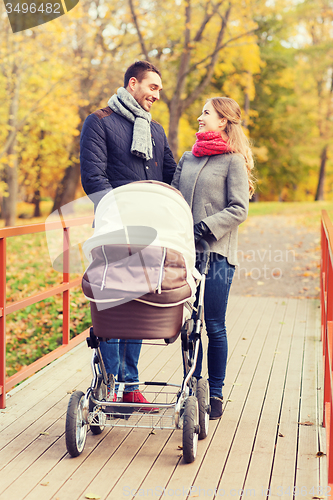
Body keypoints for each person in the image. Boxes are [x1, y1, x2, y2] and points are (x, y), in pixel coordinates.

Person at [80, 61, 177, 408]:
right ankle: (109, 385)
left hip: (151, 234)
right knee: (112, 306)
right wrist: (122, 219)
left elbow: (169, 178)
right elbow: (94, 177)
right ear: (132, 84)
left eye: (159, 91)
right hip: (113, 231)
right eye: (152, 88)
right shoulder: (100, 121)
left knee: (139, 304)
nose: (156, 95)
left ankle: (130, 385)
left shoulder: (156, 130)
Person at [172, 96, 254, 419]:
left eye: (205, 112)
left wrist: (205, 227)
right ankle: (194, 388)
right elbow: (175, 199)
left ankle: (216, 391)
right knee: (189, 325)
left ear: (222, 121)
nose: (199, 117)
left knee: (213, 324)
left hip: (218, 254)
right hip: (186, 254)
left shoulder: (233, 161)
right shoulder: (187, 158)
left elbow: (239, 208)